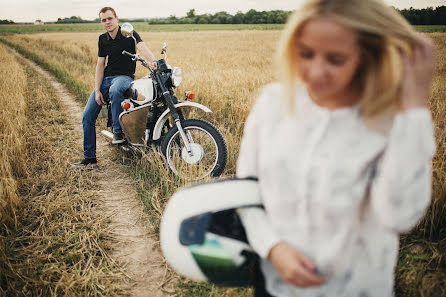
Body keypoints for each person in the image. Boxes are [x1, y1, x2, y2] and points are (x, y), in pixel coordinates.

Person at [236, 0, 437, 296]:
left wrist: (415, 109)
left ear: (367, 57)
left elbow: (399, 215)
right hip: (276, 286)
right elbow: (245, 192)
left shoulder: (392, 124)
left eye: (336, 59)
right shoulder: (272, 105)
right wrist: (273, 247)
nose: (316, 71)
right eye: (306, 54)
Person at [74, 7, 157, 167]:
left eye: (109, 19)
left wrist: (155, 62)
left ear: (116, 18)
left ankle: (117, 132)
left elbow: (143, 47)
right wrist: (97, 89)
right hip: (106, 79)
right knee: (87, 116)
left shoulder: (129, 33)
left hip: (124, 78)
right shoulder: (102, 39)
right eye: (103, 20)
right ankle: (89, 158)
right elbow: (100, 64)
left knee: (115, 89)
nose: (107, 22)